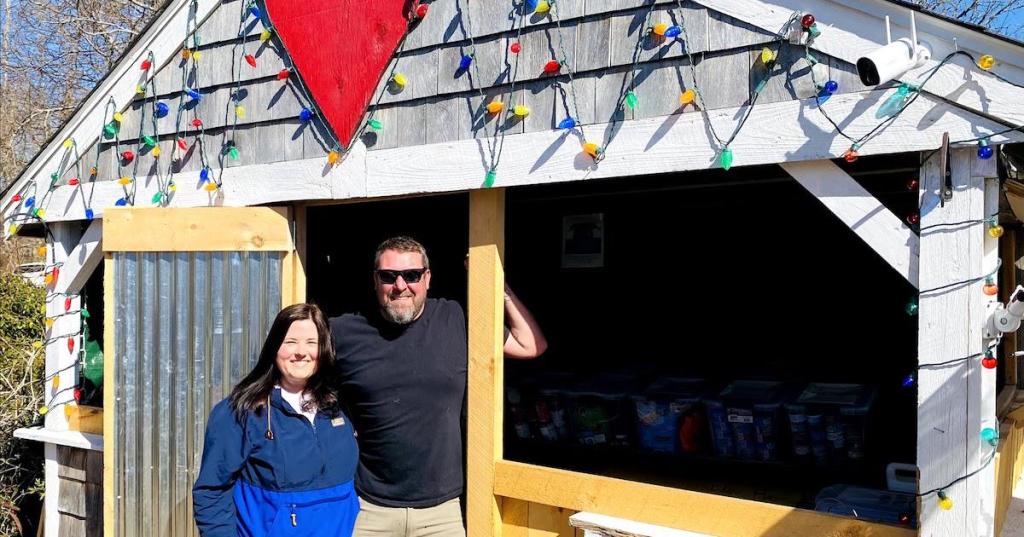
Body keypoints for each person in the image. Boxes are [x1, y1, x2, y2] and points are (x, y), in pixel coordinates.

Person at [332, 236, 546, 537]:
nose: (401, 285)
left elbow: (530, 345)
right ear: (375, 280)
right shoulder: (344, 331)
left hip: (443, 512)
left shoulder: (457, 319)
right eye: (388, 276)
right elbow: (295, 365)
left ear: (427, 278)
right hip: (369, 508)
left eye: (412, 275)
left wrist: (499, 287)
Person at [193, 303, 359, 537]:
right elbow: (212, 491)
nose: (301, 351)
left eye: (312, 342)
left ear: (324, 349)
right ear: (274, 347)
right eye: (290, 342)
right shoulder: (242, 412)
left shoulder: (342, 405)